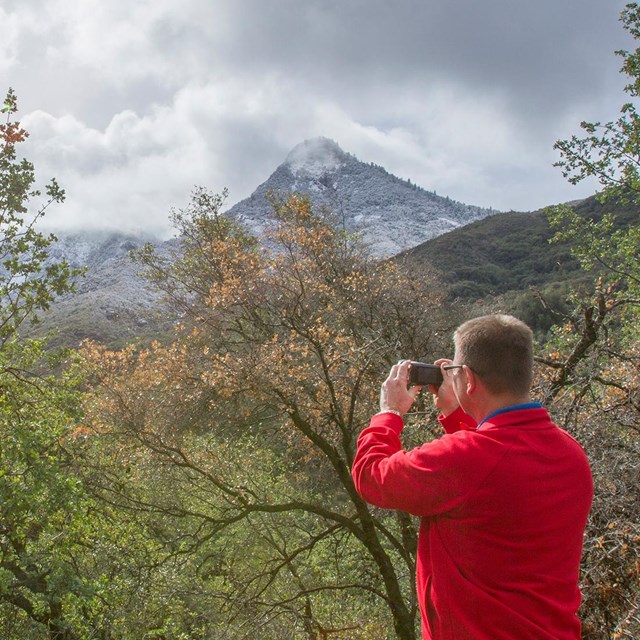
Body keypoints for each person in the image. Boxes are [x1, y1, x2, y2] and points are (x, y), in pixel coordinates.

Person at [351, 314, 593, 640]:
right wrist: (458, 413)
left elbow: (371, 476)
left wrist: (388, 414)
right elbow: (491, 482)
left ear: (467, 377)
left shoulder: (466, 459)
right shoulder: (570, 453)